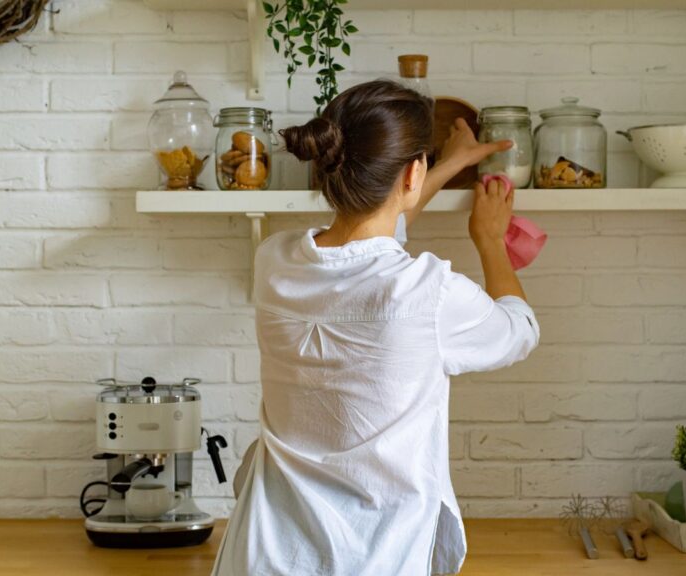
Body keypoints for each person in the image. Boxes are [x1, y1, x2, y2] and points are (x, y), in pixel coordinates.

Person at [211, 80, 539, 576]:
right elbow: (519, 330)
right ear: (413, 171)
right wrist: (489, 239)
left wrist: (444, 164)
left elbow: (370, 240)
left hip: (265, 553)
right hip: (376, 556)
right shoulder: (427, 291)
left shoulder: (274, 262)